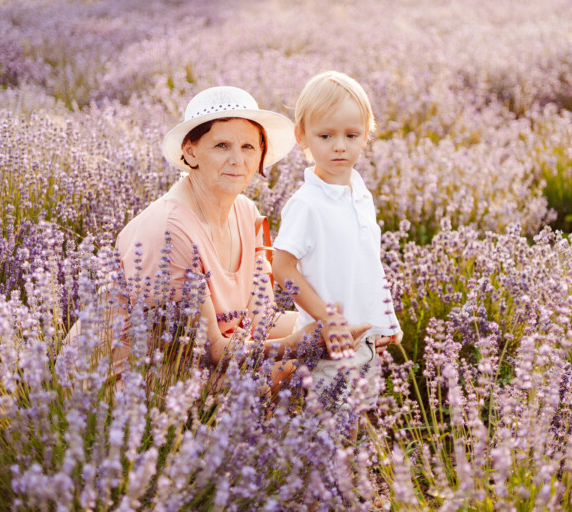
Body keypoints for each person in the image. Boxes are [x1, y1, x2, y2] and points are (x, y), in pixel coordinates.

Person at [69, 85, 370, 378]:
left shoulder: (246, 212)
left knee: (335, 362)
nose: (238, 160)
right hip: (125, 385)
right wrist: (297, 345)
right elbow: (206, 351)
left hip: (195, 371)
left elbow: (260, 320)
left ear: (261, 156)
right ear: (191, 152)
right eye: (222, 146)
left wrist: (341, 326)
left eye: (248, 147)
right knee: (274, 381)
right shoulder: (170, 230)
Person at [272, 71, 402, 410]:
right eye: (326, 135)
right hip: (327, 343)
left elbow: (368, 263)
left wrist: (386, 320)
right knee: (329, 427)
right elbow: (282, 268)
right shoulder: (306, 203)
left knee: (357, 416)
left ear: (366, 137)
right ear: (302, 136)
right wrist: (326, 319)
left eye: (351, 134)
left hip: (365, 335)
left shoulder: (359, 192)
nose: (340, 145)